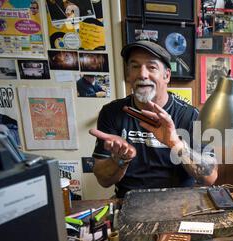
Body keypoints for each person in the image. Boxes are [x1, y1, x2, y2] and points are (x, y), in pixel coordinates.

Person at [89, 40, 218, 198]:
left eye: (151, 67)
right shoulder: (111, 112)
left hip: (180, 204)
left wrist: (175, 143)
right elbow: (103, 180)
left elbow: (210, 177)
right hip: (129, 202)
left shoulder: (190, 115)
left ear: (166, 75)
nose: (142, 74)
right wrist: (119, 160)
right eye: (135, 66)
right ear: (128, 75)